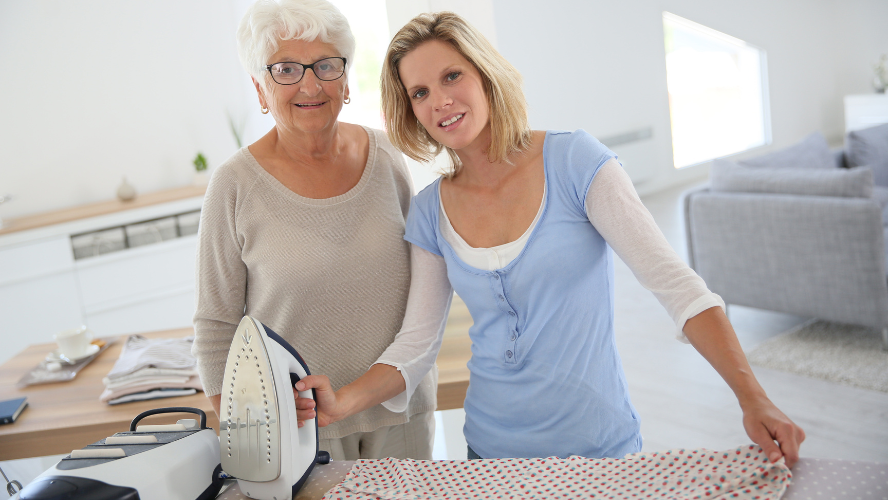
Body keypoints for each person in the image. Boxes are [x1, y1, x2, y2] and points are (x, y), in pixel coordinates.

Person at [294, 11, 805, 465]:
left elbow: (676, 285)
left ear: (485, 74)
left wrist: (751, 397)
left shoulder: (576, 162)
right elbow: (415, 344)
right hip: (491, 452)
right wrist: (343, 401)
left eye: (453, 76)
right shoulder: (429, 211)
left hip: (599, 448)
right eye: (420, 92)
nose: (441, 101)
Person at [191, 0, 442, 461]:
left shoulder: (387, 156)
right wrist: (244, 436)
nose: (310, 84)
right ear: (260, 89)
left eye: (326, 65)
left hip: (401, 411)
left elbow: (420, 290)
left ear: (345, 80)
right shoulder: (233, 185)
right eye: (286, 69)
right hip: (299, 428)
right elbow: (215, 329)